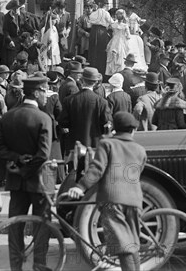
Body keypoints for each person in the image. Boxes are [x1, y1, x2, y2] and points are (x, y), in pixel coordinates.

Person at [67, 111, 147, 271]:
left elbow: (97, 169)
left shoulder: (107, 144)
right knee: (132, 243)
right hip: (135, 200)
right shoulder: (140, 149)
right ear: (133, 130)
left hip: (113, 200)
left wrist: (80, 186)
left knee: (122, 247)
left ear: (115, 129)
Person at [0, 77, 53, 271]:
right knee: (42, 226)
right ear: (36, 92)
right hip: (40, 182)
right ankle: (39, 266)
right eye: (45, 91)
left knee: (15, 225)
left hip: (16, 181)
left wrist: (17, 159)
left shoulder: (8, 116)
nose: (46, 96)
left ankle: (15, 267)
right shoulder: (43, 118)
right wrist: (26, 170)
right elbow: (43, 155)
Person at [58, 67, 112, 153]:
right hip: (95, 147)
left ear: (82, 80)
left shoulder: (69, 100)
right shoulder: (102, 102)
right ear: (95, 82)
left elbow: (63, 122)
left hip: (74, 146)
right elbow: (106, 123)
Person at [88, 0, 113, 75]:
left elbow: (89, 23)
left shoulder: (93, 13)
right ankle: (101, 69)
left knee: (93, 50)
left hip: (93, 31)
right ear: (105, 5)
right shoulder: (106, 13)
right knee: (102, 50)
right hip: (102, 32)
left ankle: (93, 67)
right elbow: (111, 22)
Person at [106, 9, 131, 76]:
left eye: (118, 14)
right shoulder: (120, 25)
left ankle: (116, 72)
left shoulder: (119, 25)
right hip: (118, 40)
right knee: (116, 55)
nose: (117, 16)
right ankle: (116, 72)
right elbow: (128, 36)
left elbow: (128, 36)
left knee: (118, 55)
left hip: (118, 41)